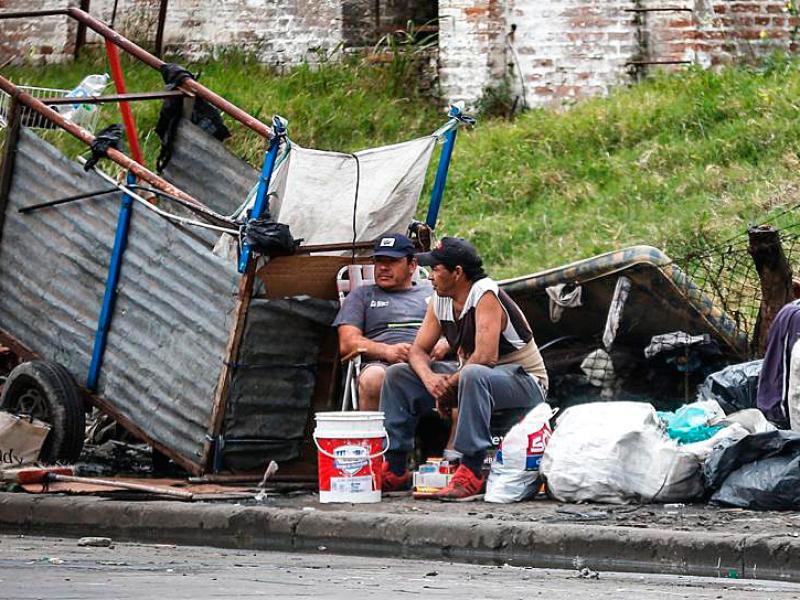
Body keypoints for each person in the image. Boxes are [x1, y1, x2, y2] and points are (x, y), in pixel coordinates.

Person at [379, 236, 548, 499]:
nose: (431, 276)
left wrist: (449, 382)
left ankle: (471, 470)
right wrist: (430, 380)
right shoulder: (440, 299)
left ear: (457, 273)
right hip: (474, 379)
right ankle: (396, 466)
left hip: (525, 382)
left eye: (436, 269)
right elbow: (417, 351)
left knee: (473, 372)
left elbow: (485, 357)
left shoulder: (485, 294)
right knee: (398, 374)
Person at [333, 233, 448, 411]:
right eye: (379, 261)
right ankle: (377, 438)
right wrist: (386, 350)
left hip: (432, 361)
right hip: (383, 364)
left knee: (469, 376)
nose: (383, 267)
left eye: (392, 261)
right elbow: (347, 342)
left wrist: (445, 343)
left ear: (412, 265)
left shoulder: (433, 293)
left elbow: (463, 328)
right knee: (372, 378)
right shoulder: (361, 296)